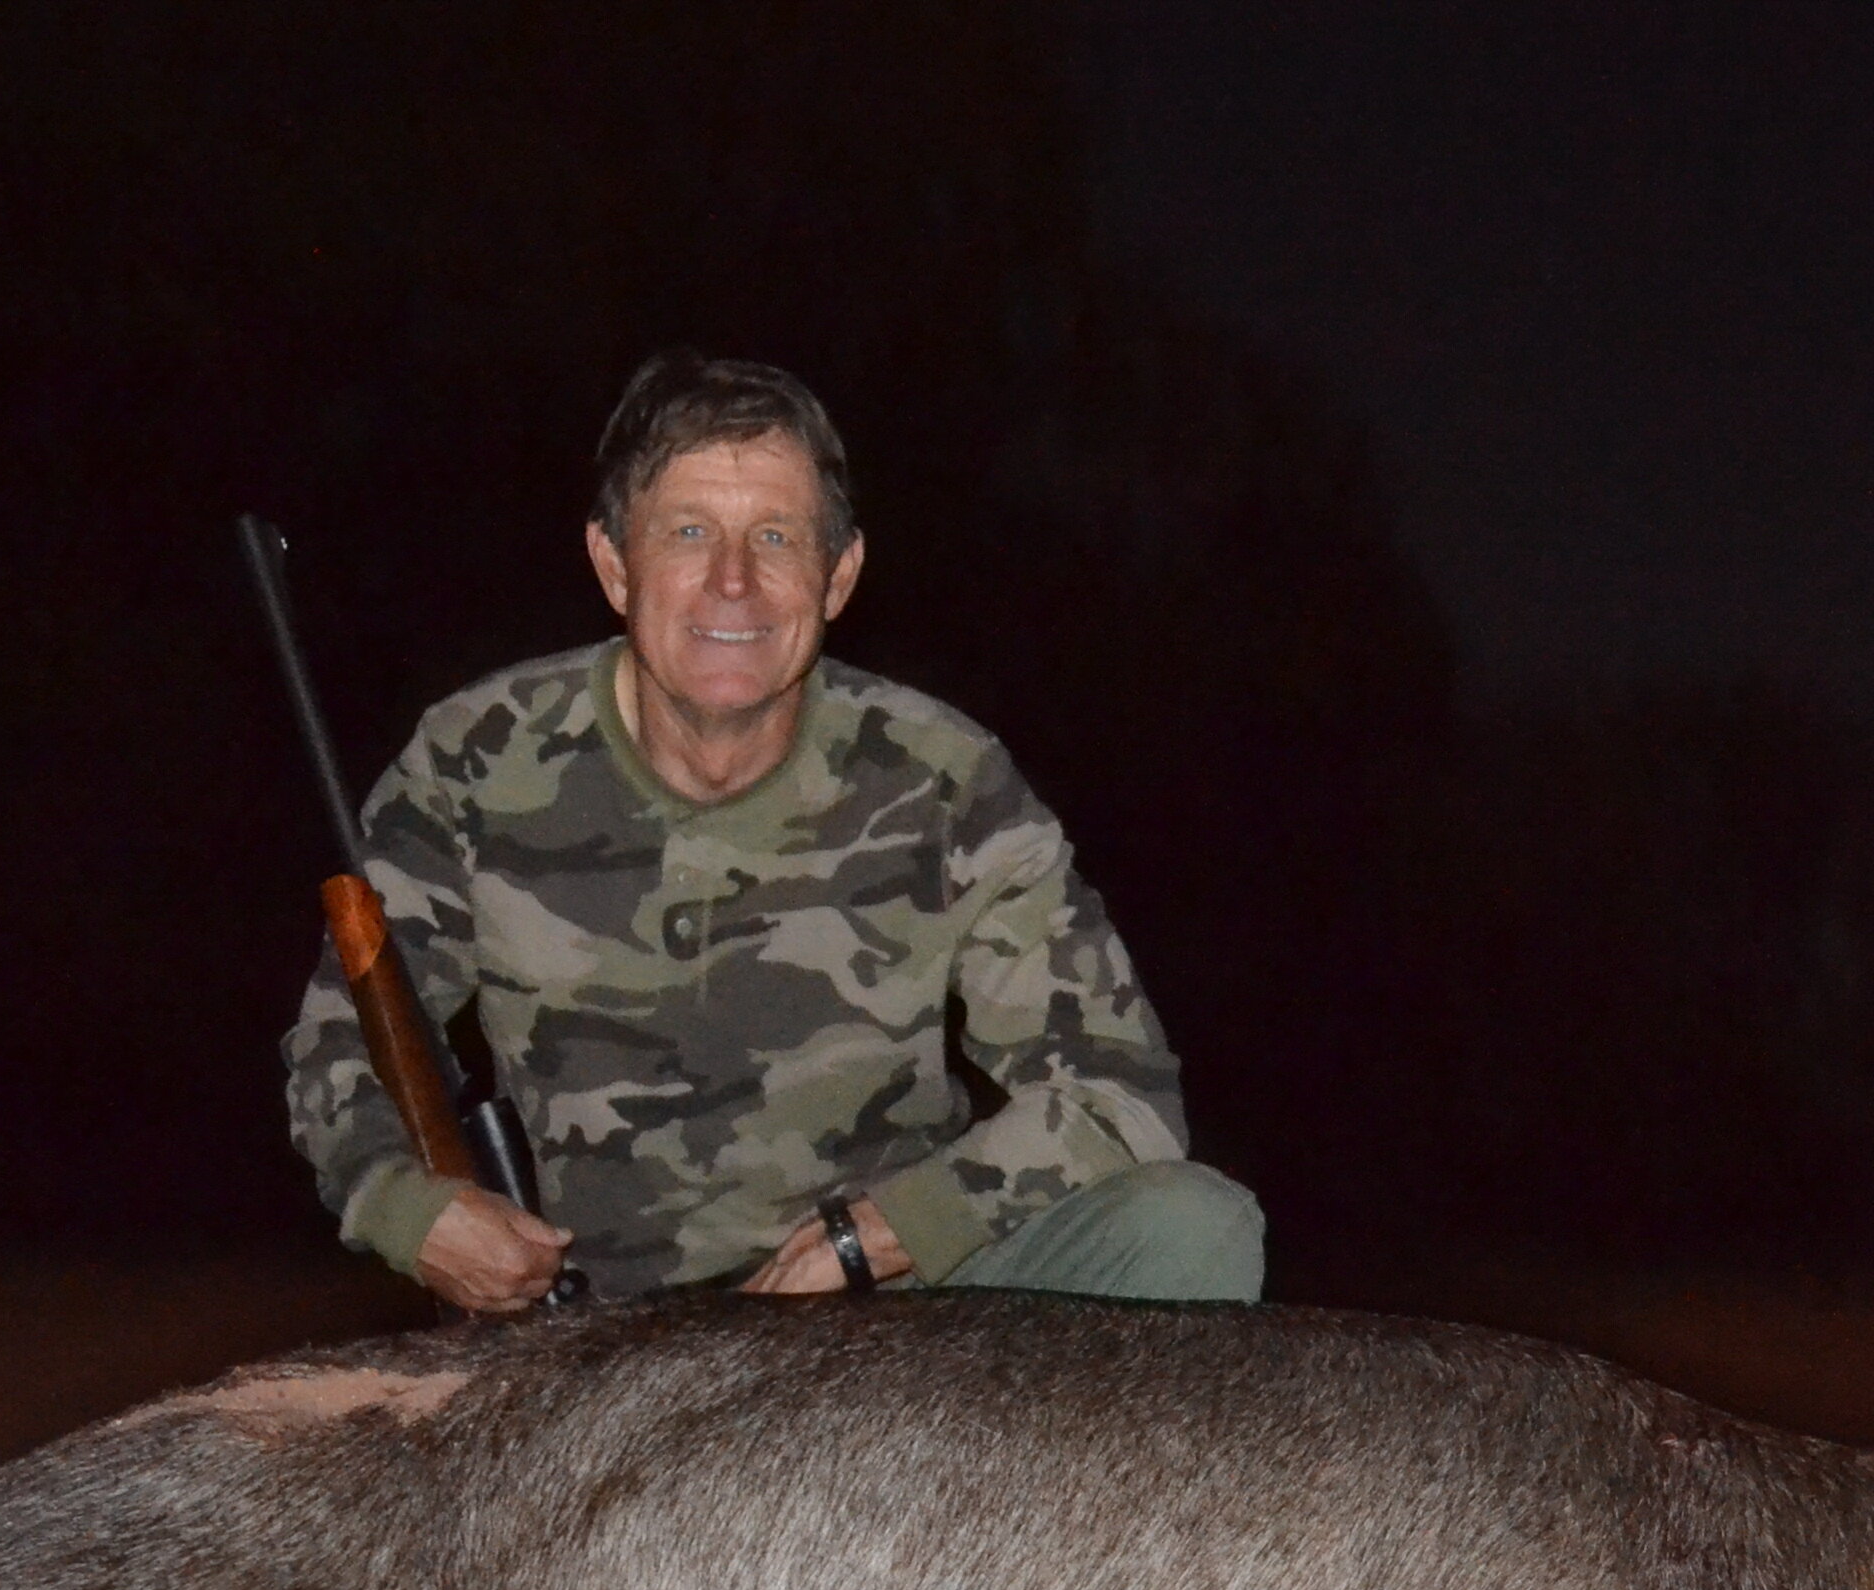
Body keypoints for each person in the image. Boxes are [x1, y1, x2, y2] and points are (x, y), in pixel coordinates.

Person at [284, 352, 1265, 1311]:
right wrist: (418, 1217)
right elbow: (345, 1046)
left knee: (1194, 1227)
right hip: (618, 1338)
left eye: (778, 539)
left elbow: (1119, 1095)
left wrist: (875, 1237)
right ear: (613, 565)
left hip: (903, 1299)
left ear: (838, 577)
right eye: (688, 532)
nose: (732, 583)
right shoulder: (471, 762)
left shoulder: (945, 777)